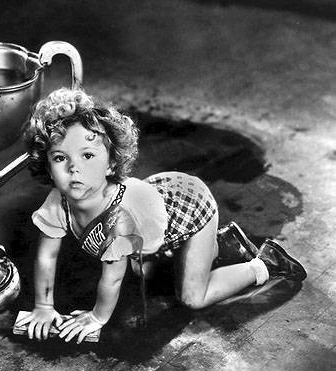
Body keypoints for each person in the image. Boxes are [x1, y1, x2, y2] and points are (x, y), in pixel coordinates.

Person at [16, 87, 306, 344]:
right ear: (46, 162)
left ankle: (264, 263)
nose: (73, 168)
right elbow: (47, 257)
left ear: (111, 163)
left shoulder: (119, 217)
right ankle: (223, 245)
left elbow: (112, 279)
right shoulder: (58, 202)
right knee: (145, 269)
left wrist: (97, 318)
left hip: (191, 208)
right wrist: (43, 307)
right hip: (160, 207)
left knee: (192, 296)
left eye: (88, 155)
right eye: (59, 157)